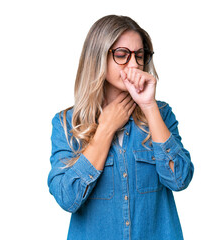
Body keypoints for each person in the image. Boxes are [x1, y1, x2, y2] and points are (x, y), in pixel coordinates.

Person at [47, 15, 194, 240]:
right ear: (98, 58)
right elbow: (67, 198)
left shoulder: (161, 113)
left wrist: (149, 106)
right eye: (122, 55)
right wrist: (105, 129)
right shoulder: (67, 124)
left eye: (139, 55)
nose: (134, 64)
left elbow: (179, 179)